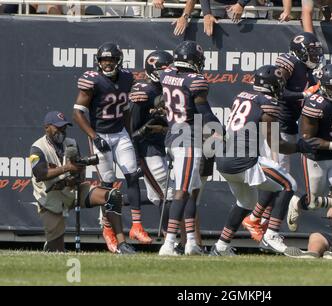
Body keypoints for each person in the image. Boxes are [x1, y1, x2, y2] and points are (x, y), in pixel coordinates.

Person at [210, 65, 320, 256]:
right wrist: (300, 146)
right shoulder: (268, 104)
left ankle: (220, 247)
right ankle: (271, 235)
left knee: (245, 202)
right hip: (243, 161)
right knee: (289, 184)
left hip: (223, 160)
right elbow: (277, 145)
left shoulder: (242, 95)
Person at [241, 32, 323, 240]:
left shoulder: (307, 69)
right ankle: (255, 219)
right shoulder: (288, 62)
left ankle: (262, 223)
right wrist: (303, 95)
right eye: (311, 51)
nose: (315, 55)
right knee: (279, 180)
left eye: (316, 51)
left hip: (289, 126)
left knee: (279, 181)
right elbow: (276, 91)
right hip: (276, 125)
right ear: (299, 51)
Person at [30, 111, 135, 254]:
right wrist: (67, 168)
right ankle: (52, 244)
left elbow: (80, 173)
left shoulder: (71, 143)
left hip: (73, 191)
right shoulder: (38, 147)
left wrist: (74, 178)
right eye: (57, 127)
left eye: (64, 128)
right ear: (46, 128)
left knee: (113, 195)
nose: (61, 131)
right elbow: (40, 173)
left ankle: (122, 244)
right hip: (50, 199)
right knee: (57, 251)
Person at [73, 42, 143, 252]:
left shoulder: (128, 78)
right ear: (98, 61)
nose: (108, 63)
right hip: (100, 133)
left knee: (132, 174)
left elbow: (128, 109)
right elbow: (77, 113)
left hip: (120, 132)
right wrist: (94, 137)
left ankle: (137, 225)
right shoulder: (93, 81)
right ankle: (107, 228)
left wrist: (129, 134)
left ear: (118, 60)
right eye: (104, 60)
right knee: (108, 184)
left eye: (111, 59)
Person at [158, 40, 221, 256]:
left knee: (192, 191)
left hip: (173, 136)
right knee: (183, 191)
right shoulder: (195, 80)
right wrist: (218, 128)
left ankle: (191, 242)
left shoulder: (165, 75)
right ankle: (168, 243)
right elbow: (204, 111)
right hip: (187, 139)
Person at [286, 64, 332, 231]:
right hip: (317, 157)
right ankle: (296, 203)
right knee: (313, 203)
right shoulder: (315, 104)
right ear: (321, 86)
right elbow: (307, 140)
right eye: (330, 87)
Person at [129, 50, 175, 243]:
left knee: (160, 195)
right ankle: (169, 240)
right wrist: (144, 134)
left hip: (159, 148)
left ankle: (171, 239)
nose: (167, 74)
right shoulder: (145, 92)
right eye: (163, 70)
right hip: (146, 150)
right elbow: (131, 128)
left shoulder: (165, 90)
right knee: (167, 194)